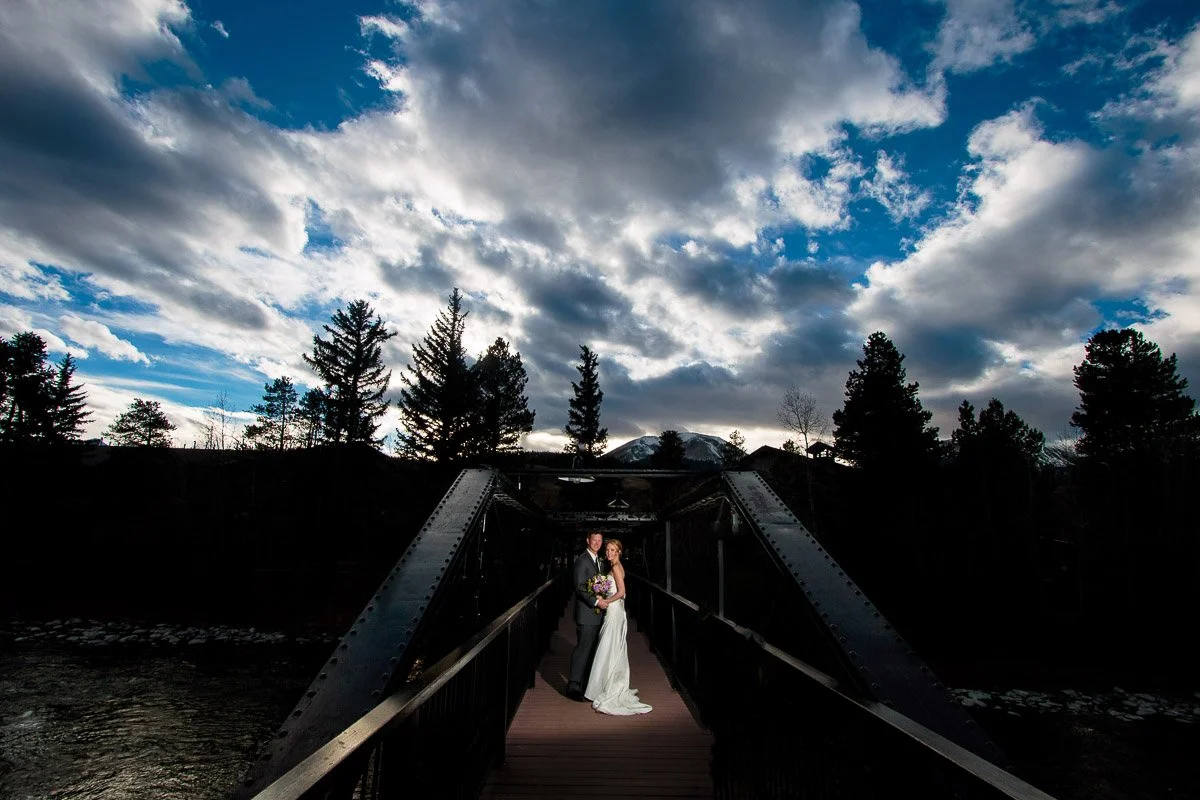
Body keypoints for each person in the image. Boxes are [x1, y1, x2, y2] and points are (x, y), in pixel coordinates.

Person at [584, 539, 653, 715]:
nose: (609, 553)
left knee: (608, 647)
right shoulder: (617, 566)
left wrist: (605, 600)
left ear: (619, 552)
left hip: (614, 611)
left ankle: (605, 686)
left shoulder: (615, 567)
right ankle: (606, 682)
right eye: (607, 550)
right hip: (617, 612)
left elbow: (622, 593)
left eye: (613, 550)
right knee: (612, 647)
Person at [566, 531, 607, 701]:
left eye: (600, 540)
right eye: (594, 540)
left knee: (591, 650)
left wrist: (603, 596)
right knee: (583, 649)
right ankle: (573, 686)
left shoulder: (599, 561)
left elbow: (598, 585)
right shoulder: (582, 561)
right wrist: (597, 602)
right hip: (587, 614)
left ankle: (586, 685)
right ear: (587, 541)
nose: (597, 543)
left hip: (596, 614)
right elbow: (580, 587)